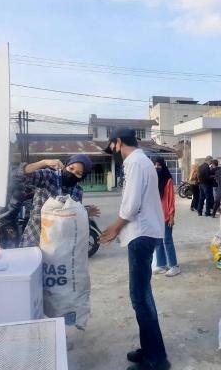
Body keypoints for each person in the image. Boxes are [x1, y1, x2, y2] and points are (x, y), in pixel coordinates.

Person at [99, 128, 170, 370]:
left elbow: (130, 206)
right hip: (144, 233)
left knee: (140, 297)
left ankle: (156, 359)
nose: (113, 153)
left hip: (141, 234)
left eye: (112, 147)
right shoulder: (143, 161)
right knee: (141, 295)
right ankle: (150, 349)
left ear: (118, 143)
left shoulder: (134, 163)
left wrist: (114, 228)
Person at [15, 155, 100, 247]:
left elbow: (72, 215)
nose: (73, 173)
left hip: (57, 246)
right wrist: (43, 162)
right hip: (34, 238)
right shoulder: (49, 177)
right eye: (71, 168)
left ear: (82, 177)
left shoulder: (77, 191)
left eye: (78, 173)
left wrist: (85, 212)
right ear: (65, 165)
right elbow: (20, 175)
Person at [152, 157, 181, 277]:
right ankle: (162, 264)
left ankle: (174, 266)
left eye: (158, 165)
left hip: (166, 215)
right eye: (154, 165)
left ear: (163, 166)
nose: (156, 167)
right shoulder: (152, 180)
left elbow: (171, 199)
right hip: (155, 215)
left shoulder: (168, 180)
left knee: (167, 240)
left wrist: (171, 216)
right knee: (158, 241)